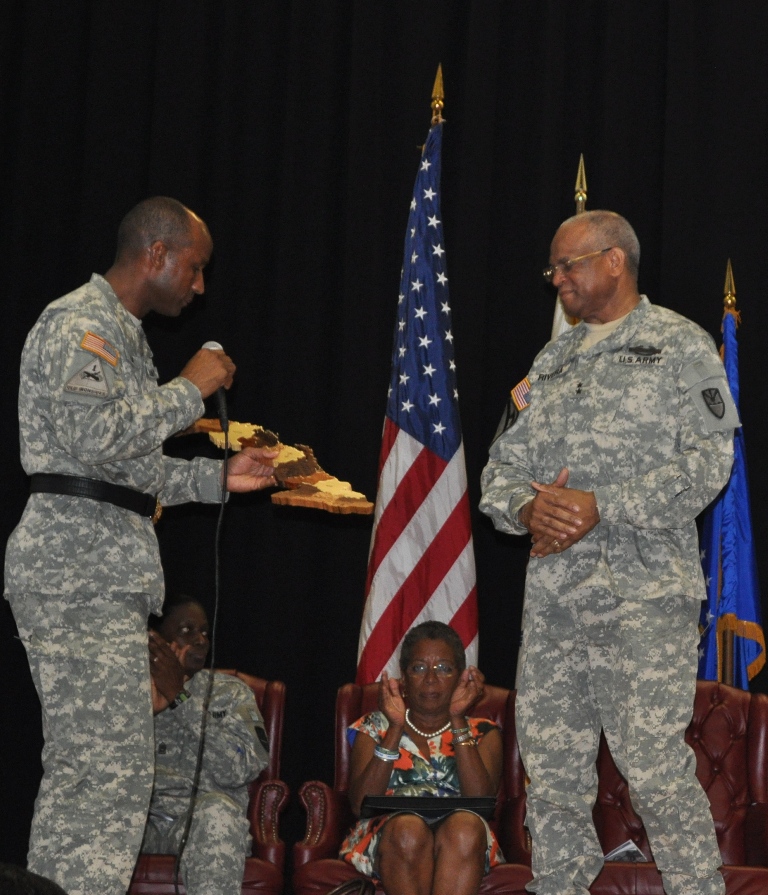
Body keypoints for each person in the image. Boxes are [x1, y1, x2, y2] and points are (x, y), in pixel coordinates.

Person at [4, 196, 278, 895]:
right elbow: (92, 437)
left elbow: (130, 467)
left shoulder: (124, 337)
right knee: (101, 771)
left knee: (105, 771)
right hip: (73, 569)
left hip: (107, 574)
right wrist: (191, 386)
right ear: (155, 254)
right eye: (195, 266)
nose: (199, 284)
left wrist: (221, 478)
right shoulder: (80, 324)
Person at [480, 210, 739, 895]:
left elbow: (711, 462)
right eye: (553, 269)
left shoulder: (681, 345)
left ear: (616, 261)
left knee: (654, 768)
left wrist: (604, 504)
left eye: (569, 265)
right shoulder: (551, 360)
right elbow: (498, 473)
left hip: (645, 598)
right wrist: (529, 507)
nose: (557, 279)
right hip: (556, 604)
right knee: (555, 776)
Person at [340, 620, 505, 895]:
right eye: (418, 668)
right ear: (403, 679)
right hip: (389, 834)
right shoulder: (374, 727)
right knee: (408, 829)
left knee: (464, 827)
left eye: (444, 668)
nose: (431, 678)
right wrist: (394, 728)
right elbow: (359, 804)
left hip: (465, 837)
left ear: (462, 676)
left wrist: (457, 719)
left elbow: (481, 801)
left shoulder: (483, 732)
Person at [142, 595, 269, 895]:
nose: (200, 640)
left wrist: (180, 698)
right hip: (139, 819)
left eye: (204, 632)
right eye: (187, 630)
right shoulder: (128, 690)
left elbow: (244, 767)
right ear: (157, 640)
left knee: (218, 815)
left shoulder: (233, 693)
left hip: (201, 821)